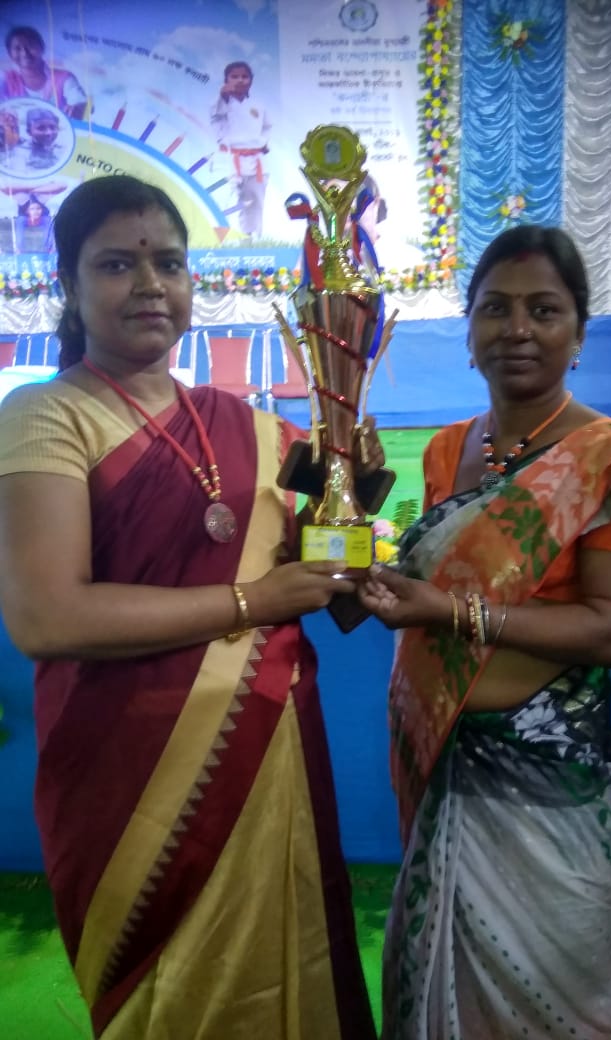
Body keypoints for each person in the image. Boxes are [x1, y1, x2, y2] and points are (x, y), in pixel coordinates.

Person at [0, 174, 378, 1039]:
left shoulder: (248, 425)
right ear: (68, 285)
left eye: (169, 263)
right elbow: (47, 617)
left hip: (266, 751)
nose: (150, 285)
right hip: (129, 778)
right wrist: (254, 599)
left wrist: (350, 532)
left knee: (284, 980)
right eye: (116, 264)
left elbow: (318, 551)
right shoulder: (45, 416)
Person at [357, 225, 611, 1040]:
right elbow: (437, 573)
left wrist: (449, 613)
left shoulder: (606, 460)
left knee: (561, 991)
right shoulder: (449, 449)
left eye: (543, 309)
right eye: (495, 309)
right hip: (443, 755)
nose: (517, 329)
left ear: (578, 333)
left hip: (548, 783)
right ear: (468, 332)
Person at [210, 61, 271, 239]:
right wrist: (223, 95)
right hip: (229, 159)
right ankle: (219, 240)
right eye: (234, 76)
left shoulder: (259, 105)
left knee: (255, 201)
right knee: (224, 200)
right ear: (226, 80)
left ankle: (251, 238)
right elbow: (216, 115)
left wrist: (264, 144)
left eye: (244, 76)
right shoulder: (219, 104)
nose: (240, 80)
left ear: (251, 80)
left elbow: (267, 127)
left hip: (256, 160)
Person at [0, 25, 87, 120]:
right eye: (17, 48)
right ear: (10, 53)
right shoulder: (5, 78)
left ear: (42, 47)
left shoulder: (64, 78)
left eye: (30, 46)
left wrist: (79, 108)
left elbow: (82, 104)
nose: (24, 53)